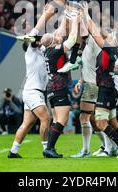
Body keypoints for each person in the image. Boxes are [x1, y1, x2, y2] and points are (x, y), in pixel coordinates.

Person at [86, 18, 118, 159]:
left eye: (109, 35)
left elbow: (96, 33)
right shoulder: (110, 50)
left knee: (100, 122)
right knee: (113, 121)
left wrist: (86, 16)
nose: (106, 35)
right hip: (108, 88)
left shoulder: (109, 48)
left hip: (107, 89)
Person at [40, 11, 81, 158]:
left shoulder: (46, 49)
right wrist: (75, 21)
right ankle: (49, 148)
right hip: (59, 88)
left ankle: (50, 149)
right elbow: (72, 38)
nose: (57, 35)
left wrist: (65, 15)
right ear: (53, 41)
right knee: (63, 119)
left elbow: (60, 31)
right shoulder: (56, 49)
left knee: (57, 120)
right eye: (54, 36)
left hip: (51, 88)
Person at [8, 40, 50, 158]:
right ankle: (46, 149)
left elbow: (44, 44)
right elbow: (33, 42)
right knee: (46, 118)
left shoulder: (40, 52)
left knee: (27, 124)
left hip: (33, 92)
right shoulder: (30, 52)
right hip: (33, 92)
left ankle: (13, 151)